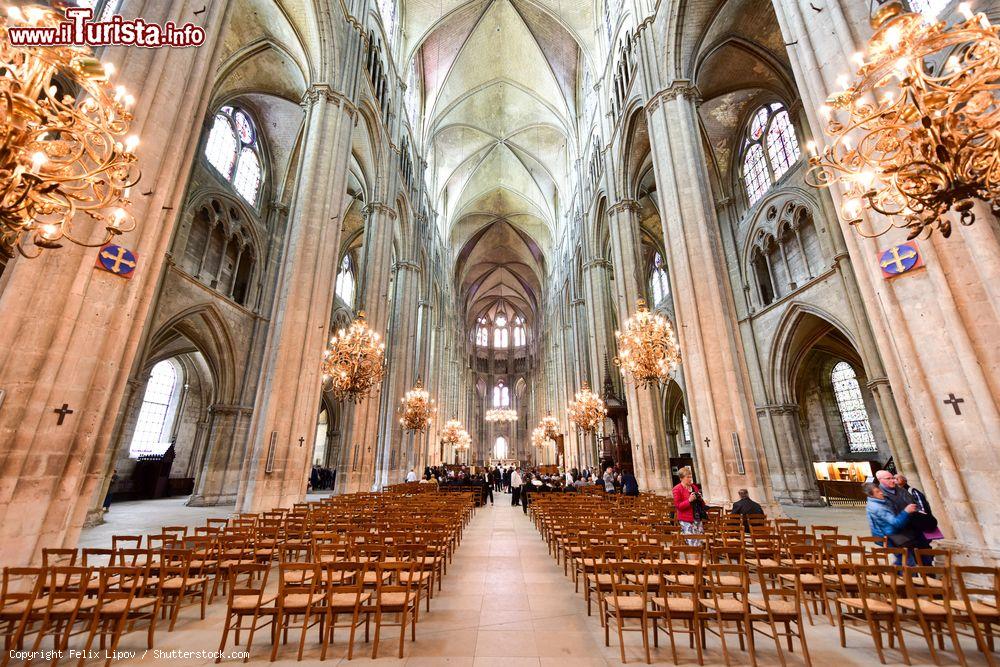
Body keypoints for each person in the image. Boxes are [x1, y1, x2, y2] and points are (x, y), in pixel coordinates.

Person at [864, 481, 919, 565]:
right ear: (871, 495)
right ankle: (903, 575)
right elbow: (896, 523)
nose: (881, 493)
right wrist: (906, 511)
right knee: (908, 561)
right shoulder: (878, 507)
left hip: (886, 535)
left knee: (902, 558)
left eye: (879, 490)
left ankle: (896, 573)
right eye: (877, 492)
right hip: (891, 537)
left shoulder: (874, 502)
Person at [672, 466, 706, 545]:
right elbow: (678, 506)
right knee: (692, 543)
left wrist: (700, 498)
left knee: (699, 543)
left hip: (697, 518)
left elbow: (701, 503)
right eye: (688, 477)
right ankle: (693, 557)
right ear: (681, 478)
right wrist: (689, 501)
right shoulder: (677, 489)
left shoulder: (694, 487)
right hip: (686, 520)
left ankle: (698, 557)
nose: (690, 479)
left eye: (691, 477)